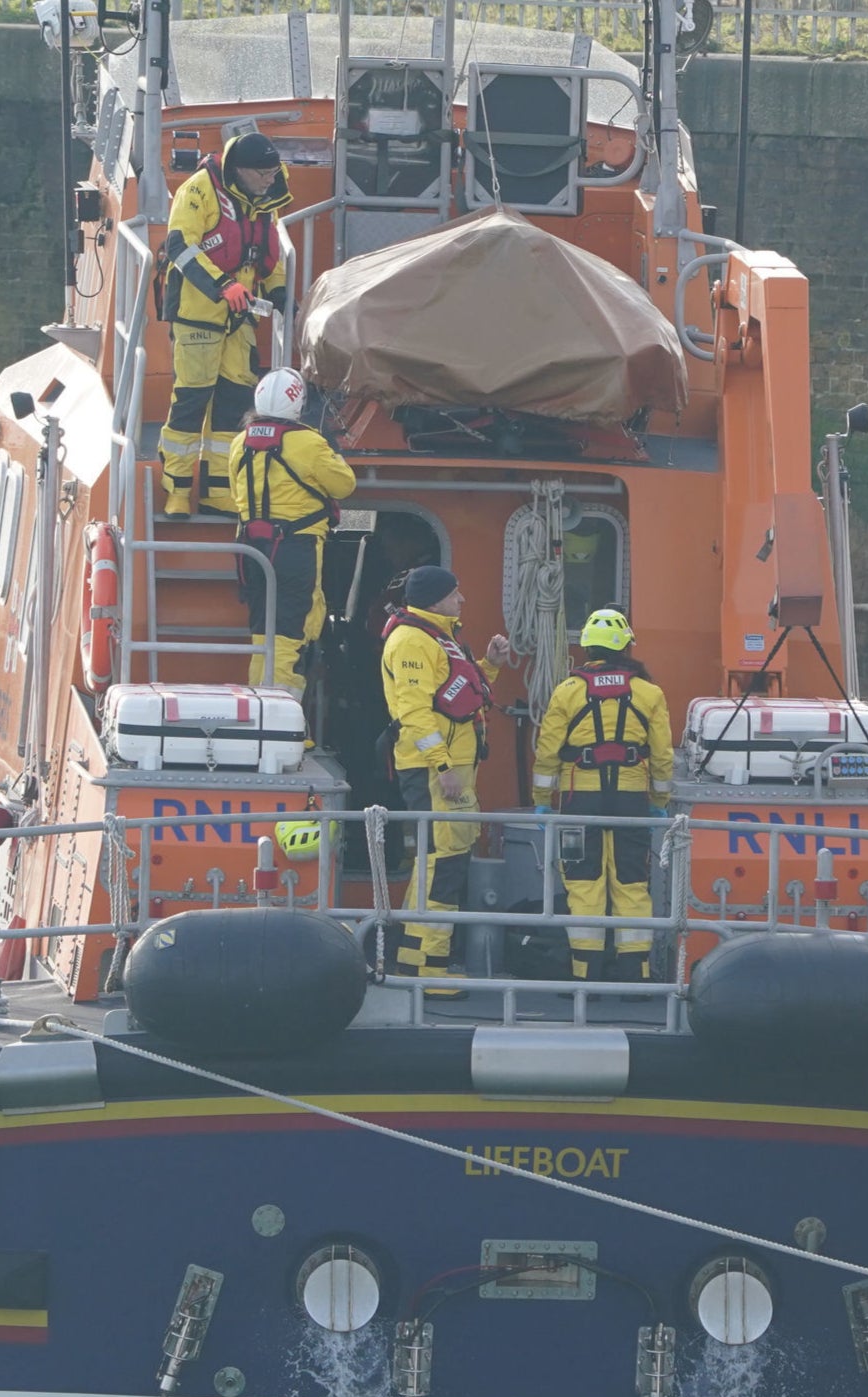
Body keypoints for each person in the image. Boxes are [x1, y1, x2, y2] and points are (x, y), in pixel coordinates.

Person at [380, 565, 513, 993]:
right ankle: (429, 971)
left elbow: (454, 693)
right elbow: (414, 712)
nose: (463, 601)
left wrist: (488, 667)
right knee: (442, 866)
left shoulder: (437, 636)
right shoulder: (412, 641)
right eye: (456, 594)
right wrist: (442, 766)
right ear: (436, 600)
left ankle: (413, 961)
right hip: (436, 772)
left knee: (437, 862)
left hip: (452, 771)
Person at [531, 609, 676, 981]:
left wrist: (543, 801)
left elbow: (547, 752)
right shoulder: (649, 692)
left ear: (587, 648)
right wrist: (658, 803)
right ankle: (636, 975)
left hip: (580, 801)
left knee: (582, 884)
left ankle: (584, 976)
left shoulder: (567, 690)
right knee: (631, 883)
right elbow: (662, 756)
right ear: (626, 646)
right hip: (631, 802)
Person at [160, 131, 291, 517]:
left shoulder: (263, 197)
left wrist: (280, 292)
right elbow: (180, 247)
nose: (271, 179)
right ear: (240, 170)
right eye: (263, 173)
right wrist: (222, 286)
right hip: (198, 312)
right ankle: (178, 491)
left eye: (273, 172)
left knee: (234, 403)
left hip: (241, 315)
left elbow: (271, 255)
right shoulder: (198, 191)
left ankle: (218, 491)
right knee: (191, 400)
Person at [234, 369, 356, 701]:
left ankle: (258, 702)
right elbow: (345, 485)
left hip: (250, 551)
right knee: (290, 633)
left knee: (262, 634)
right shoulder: (308, 443)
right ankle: (277, 717)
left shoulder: (239, 443)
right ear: (298, 405)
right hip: (294, 549)